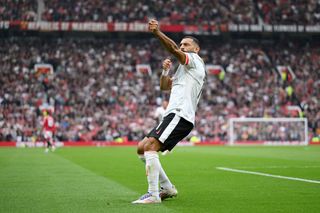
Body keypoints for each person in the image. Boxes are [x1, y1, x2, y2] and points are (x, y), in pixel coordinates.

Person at [132, 19, 206, 204]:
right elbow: (165, 87)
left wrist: (157, 33)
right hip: (173, 114)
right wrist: (165, 72)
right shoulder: (184, 70)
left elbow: (173, 49)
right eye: (181, 44)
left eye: (186, 44)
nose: (182, 46)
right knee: (142, 148)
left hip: (180, 114)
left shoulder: (195, 61)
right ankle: (168, 188)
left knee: (150, 148)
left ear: (196, 49)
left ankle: (154, 194)